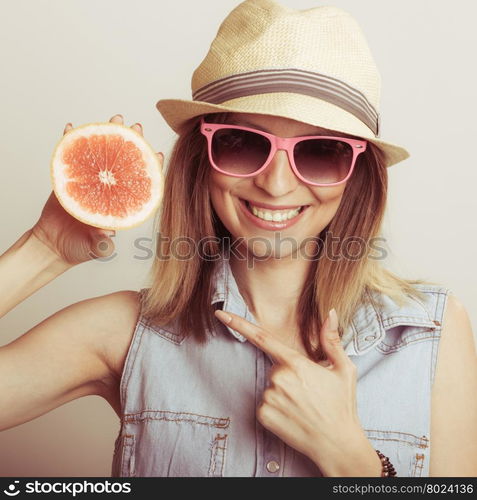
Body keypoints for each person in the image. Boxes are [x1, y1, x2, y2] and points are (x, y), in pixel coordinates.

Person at [0, 0, 476, 478]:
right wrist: (43, 249)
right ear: (199, 160)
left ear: (358, 176)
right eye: (242, 143)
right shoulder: (123, 332)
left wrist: (351, 460)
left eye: (320, 152)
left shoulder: (430, 332)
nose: (276, 184)